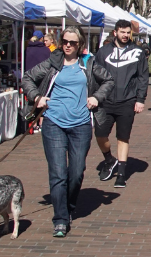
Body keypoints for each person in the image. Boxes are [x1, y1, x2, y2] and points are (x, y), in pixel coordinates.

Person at [22, 27, 112, 237]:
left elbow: (108, 80)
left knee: (76, 171)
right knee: (58, 173)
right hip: (54, 122)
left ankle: (69, 206)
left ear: (79, 44)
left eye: (72, 42)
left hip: (80, 124)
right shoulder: (53, 63)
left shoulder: (87, 64)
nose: (68, 45)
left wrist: (97, 97)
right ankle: (60, 219)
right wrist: (37, 97)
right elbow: (27, 78)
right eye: (65, 41)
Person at [93, 20, 149, 188]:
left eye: (128, 32)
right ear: (115, 32)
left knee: (122, 137)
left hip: (127, 101)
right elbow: (95, 76)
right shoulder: (103, 52)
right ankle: (110, 160)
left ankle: (122, 173)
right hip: (106, 101)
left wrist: (140, 99)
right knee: (100, 134)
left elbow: (142, 77)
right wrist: (95, 96)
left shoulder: (137, 52)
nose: (125, 35)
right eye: (122, 32)